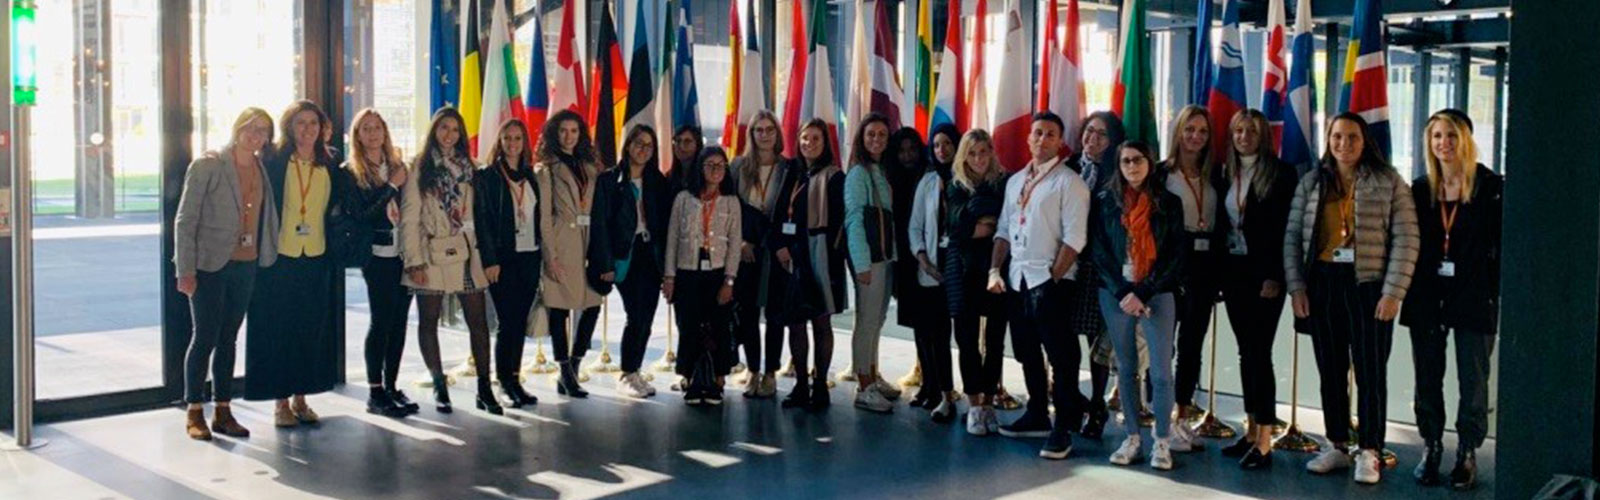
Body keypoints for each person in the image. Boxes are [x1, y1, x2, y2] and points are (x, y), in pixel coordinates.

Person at [1286, 112, 1419, 484]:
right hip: (1322, 284)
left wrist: (1393, 292)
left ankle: (1370, 450)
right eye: (1337, 137)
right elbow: (1292, 237)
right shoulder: (1313, 181)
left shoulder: (1388, 181)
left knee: (1370, 371)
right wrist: (1297, 288)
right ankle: (1337, 445)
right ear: (1328, 140)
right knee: (1330, 370)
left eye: (1352, 137)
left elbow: (1407, 239)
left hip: (1369, 287)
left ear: (1365, 141)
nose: (1344, 144)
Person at [1400, 109, 1501, 490]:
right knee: (1427, 376)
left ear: (1466, 140)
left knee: (1473, 379)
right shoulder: (1419, 189)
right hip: (1428, 295)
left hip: (1473, 295)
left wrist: (1493, 289)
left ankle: (1468, 451)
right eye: (1437, 136)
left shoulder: (1491, 187)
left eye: (1452, 135)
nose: (1444, 143)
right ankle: (1432, 446)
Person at [989, 112, 1092, 460]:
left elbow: (1075, 239)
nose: (1042, 139)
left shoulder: (1070, 183)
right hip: (1017, 279)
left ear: (1060, 142)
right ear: (1028, 138)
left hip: (1051, 281)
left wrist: (1053, 279)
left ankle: (1063, 426)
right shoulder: (1015, 181)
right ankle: (1036, 413)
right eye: (1037, 133)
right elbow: (1004, 229)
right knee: (1026, 350)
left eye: (1050, 134)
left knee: (1061, 356)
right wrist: (995, 269)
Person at [175, 107, 280, 440]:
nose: (255, 135)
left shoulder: (261, 168)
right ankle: (194, 410)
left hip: (246, 264)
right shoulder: (208, 164)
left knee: (228, 339)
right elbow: (185, 220)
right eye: (250, 127)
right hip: (210, 265)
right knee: (204, 336)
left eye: (262, 131)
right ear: (237, 128)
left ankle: (223, 410)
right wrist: (185, 270)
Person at [245, 100, 351, 426]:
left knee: (309, 329)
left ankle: (301, 399)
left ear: (322, 128)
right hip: (279, 258)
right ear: (290, 127)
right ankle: (280, 403)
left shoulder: (330, 162)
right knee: (279, 330)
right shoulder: (274, 160)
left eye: (313, 123)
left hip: (316, 257)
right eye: (301, 123)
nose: (308, 129)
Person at [1092, 141, 1187, 471]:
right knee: (1126, 368)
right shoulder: (1105, 202)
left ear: (1150, 162)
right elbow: (1099, 252)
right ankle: (1132, 436)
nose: (1132, 166)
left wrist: (1144, 292)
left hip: (1157, 292)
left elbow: (1176, 254)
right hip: (1116, 293)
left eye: (1138, 160)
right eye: (1126, 161)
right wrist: (1123, 292)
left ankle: (1161, 440)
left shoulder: (1169, 203)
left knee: (1160, 371)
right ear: (1118, 166)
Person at [1213, 109, 1298, 469]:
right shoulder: (1223, 172)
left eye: (1251, 131)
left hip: (1266, 277)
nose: (1244, 137)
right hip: (1234, 273)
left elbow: (1285, 230)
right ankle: (1250, 432)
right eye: (1238, 130)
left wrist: (1275, 275)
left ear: (1264, 136)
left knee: (1260, 353)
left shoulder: (1281, 174)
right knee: (1245, 353)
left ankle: (1265, 440)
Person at [401, 106, 500, 415]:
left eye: (455, 129)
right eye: (444, 127)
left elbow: (483, 216)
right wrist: (413, 260)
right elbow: (410, 217)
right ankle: (439, 385)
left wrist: (490, 256)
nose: (449, 134)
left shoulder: (472, 167)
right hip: (430, 252)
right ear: (434, 130)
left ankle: (485, 388)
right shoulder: (419, 167)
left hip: (467, 252)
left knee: (478, 322)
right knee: (428, 321)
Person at [344, 108, 420, 417]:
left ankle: (391, 386)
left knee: (400, 321)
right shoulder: (351, 171)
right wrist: (390, 187)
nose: (373, 134)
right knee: (381, 321)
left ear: (385, 132)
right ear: (357, 135)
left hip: (404, 252)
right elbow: (361, 216)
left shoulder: (398, 165)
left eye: (377, 128)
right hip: (377, 256)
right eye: (366, 129)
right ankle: (375, 392)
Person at [767, 119, 847, 410]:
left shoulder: (835, 176)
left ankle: (820, 385)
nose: (809, 143)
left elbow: (840, 224)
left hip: (822, 256)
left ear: (825, 143)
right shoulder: (791, 172)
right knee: (796, 323)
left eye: (815, 138)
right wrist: (779, 246)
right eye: (804, 138)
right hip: (790, 257)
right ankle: (800, 384)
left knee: (821, 322)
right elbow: (778, 214)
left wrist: (831, 258)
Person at [590, 124, 672, 399]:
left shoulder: (657, 181)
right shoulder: (609, 180)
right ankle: (626, 373)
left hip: (650, 254)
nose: (643, 150)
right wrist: (604, 263)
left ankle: (635, 371)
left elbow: (664, 224)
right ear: (627, 146)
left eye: (649, 145)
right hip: (624, 255)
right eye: (638, 143)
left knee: (647, 316)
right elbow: (600, 225)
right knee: (635, 314)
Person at [940, 129, 1009, 435]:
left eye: (983, 151)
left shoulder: (1003, 183)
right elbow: (958, 228)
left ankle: (990, 402)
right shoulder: (955, 186)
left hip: (996, 265)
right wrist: (983, 221)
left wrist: (981, 221)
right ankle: (974, 405)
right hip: (962, 268)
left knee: (995, 339)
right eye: (972, 153)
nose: (979, 158)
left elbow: (1002, 224)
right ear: (963, 156)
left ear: (991, 152)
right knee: (966, 339)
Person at [534, 110, 607, 398]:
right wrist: (550, 256)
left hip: (588, 241)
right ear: (554, 133)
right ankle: (564, 370)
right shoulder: (547, 169)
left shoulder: (590, 167)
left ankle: (575, 363)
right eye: (563, 131)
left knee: (592, 303)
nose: (568, 136)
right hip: (562, 240)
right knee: (559, 307)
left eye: (574, 131)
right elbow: (544, 217)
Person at [663, 146, 742, 406]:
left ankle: (718, 380)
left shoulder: (730, 201)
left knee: (719, 327)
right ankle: (690, 378)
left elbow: (735, 243)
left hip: (718, 273)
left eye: (720, 165)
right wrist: (669, 277)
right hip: (687, 272)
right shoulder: (683, 198)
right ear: (700, 168)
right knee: (688, 326)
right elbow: (672, 238)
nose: (715, 170)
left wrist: (729, 280)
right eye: (710, 165)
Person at [473, 118, 543, 409]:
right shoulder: (488, 176)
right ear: (499, 142)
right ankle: (503, 382)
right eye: (507, 138)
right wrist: (490, 259)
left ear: (524, 142)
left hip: (530, 256)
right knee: (507, 321)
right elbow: (483, 221)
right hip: (503, 259)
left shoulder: (531, 175)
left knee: (520, 320)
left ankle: (515, 379)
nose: (512, 144)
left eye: (517, 138)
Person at [1063, 111, 1125, 438]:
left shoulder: (1118, 173)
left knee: (1097, 342)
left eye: (1101, 134)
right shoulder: (1068, 166)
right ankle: (1071, 401)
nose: (1093, 139)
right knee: (1064, 337)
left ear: (1112, 141)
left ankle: (1098, 405)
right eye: (1089, 131)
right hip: (1065, 262)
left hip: (1099, 267)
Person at [1160, 105, 1222, 427]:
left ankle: (1182, 414)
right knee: (1162, 344)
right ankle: (1158, 410)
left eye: (1202, 131)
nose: (1195, 136)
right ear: (1178, 132)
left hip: (1205, 265)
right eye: (1189, 129)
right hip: (1170, 264)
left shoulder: (1217, 174)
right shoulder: (1161, 174)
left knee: (1192, 343)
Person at [844, 113, 902, 413]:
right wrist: (862, 264)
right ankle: (863, 385)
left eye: (882, 134)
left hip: (886, 257)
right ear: (861, 138)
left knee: (877, 319)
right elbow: (854, 220)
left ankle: (872, 372)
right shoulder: (858, 174)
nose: (876, 139)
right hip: (870, 260)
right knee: (866, 321)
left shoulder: (883, 171)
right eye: (871, 134)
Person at [730, 110, 787, 398]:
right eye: (759, 130)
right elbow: (728, 208)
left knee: (776, 314)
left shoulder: (788, 168)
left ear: (777, 133)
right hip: (747, 251)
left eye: (769, 129)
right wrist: (740, 242)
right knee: (748, 313)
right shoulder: (738, 166)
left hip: (775, 251)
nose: (764, 135)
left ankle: (771, 372)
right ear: (751, 134)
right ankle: (752, 369)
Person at [907, 123, 960, 420]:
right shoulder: (927, 182)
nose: (942, 150)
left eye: (947, 144)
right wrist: (924, 261)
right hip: (930, 270)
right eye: (937, 145)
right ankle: (943, 395)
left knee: (960, 337)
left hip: (959, 271)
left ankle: (973, 398)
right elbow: (915, 226)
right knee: (934, 335)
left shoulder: (965, 179)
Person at [887, 127, 929, 400]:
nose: (907, 156)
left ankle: (935, 382)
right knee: (917, 322)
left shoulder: (929, 177)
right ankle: (923, 375)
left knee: (931, 323)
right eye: (902, 151)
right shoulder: (891, 178)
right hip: (902, 259)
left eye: (912, 149)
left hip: (926, 256)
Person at [669, 125, 705, 193]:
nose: (681, 146)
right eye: (678, 141)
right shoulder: (669, 176)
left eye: (687, 141)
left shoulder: (705, 175)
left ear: (697, 145)